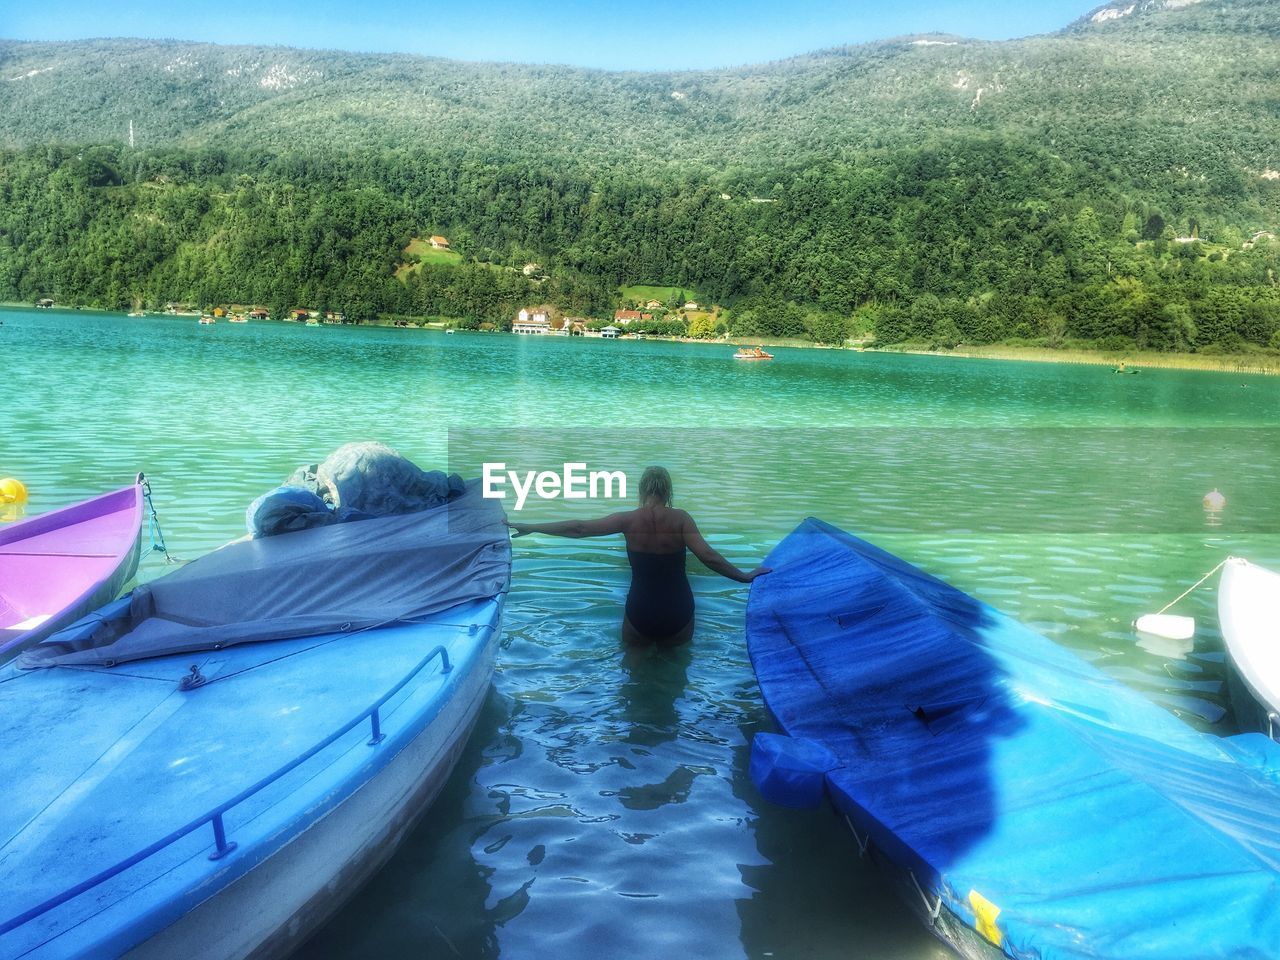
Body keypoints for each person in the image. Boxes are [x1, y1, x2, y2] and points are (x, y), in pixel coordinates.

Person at [507, 466, 769, 646]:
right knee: (675, 681)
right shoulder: (681, 519)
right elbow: (708, 556)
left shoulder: (628, 520)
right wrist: (743, 576)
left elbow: (579, 528)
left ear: (642, 490)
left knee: (633, 683)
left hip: (640, 609)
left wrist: (532, 526)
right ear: (667, 491)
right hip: (678, 609)